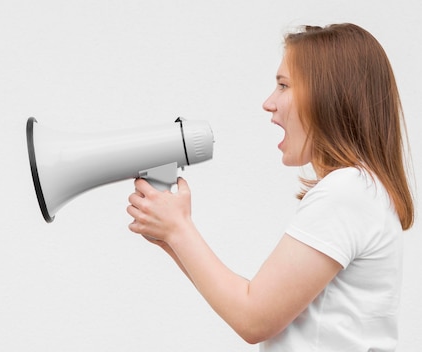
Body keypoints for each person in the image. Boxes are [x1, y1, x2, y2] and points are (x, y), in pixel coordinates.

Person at [126, 23, 415, 351]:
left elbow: (254, 318)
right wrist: (170, 236)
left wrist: (178, 229)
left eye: (283, 85)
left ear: (327, 96)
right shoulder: (361, 191)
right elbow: (252, 307)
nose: (269, 102)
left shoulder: (347, 192)